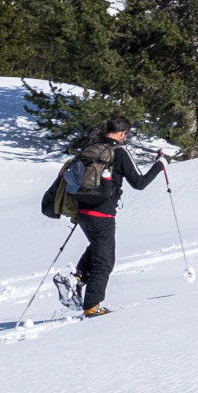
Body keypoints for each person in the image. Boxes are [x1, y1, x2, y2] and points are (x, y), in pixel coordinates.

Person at [65, 115, 166, 317]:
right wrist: (160, 164)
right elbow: (139, 183)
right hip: (103, 213)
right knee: (104, 262)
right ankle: (92, 307)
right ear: (122, 133)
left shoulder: (90, 149)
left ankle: (76, 278)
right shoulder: (119, 153)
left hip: (82, 211)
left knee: (97, 247)